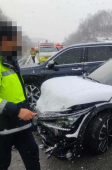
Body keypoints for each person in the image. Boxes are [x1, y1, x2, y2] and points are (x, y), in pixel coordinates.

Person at [0, 21, 40, 170]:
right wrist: (17, 111)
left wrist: (28, 113)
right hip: (3, 129)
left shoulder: (11, 61)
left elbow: (17, 93)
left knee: (33, 158)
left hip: (22, 126)